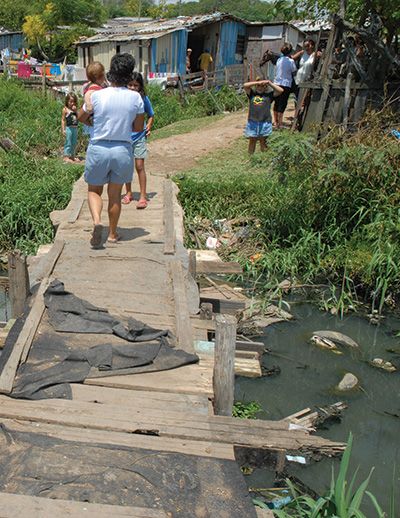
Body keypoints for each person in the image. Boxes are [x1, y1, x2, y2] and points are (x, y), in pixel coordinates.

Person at [78, 53, 144, 248]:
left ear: (110, 73)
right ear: (129, 75)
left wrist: (92, 120)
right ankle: (113, 234)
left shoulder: (97, 95)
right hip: (122, 149)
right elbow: (138, 127)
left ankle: (97, 222)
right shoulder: (135, 98)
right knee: (115, 194)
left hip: (99, 147)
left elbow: (81, 116)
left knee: (94, 190)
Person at [122, 71, 154, 209]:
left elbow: (151, 114)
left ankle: (142, 195)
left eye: (136, 85)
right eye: (130, 85)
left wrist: (148, 125)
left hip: (139, 137)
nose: (133, 88)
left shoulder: (143, 99)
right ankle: (128, 193)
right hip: (125, 138)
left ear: (140, 87)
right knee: (127, 168)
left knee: (140, 166)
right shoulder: (122, 99)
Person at [243, 78, 283, 154]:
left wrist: (269, 82)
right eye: (258, 86)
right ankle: (251, 157)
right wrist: (257, 82)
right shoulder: (252, 94)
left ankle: (264, 158)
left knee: (263, 141)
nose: (260, 88)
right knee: (252, 141)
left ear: (266, 87)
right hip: (253, 122)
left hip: (265, 122)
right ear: (255, 86)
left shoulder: (269, 95)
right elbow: (245, 85)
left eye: (263, 86)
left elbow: (280, 90)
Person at [273, 43, 297, 129]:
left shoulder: (279, 60)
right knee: (282, 103)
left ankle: (275, 122)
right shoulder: (291, 61)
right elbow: (294, 72)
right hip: (286, 84)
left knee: (276, 102)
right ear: (290, 52)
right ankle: (280, 123)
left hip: (276, 84)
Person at [82, 62, 107, 136]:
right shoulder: (94, 87)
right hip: (92, 114)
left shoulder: (90, 85)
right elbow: (88, 94)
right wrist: (88, 104)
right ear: (102, 76)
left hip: (92, 115)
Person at [61, 93, 79, 163]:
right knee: (68, 142)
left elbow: (78, 116)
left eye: (74, 101)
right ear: (67, 101)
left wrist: (76, 111)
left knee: (74, 142)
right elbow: (63, 120)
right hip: (69, 128)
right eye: (70, 101)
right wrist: (63, 129)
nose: (72, 103)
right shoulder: (65, 109)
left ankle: (72, 155)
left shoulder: (75, 110)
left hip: (75, 128)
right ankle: (66, 156)